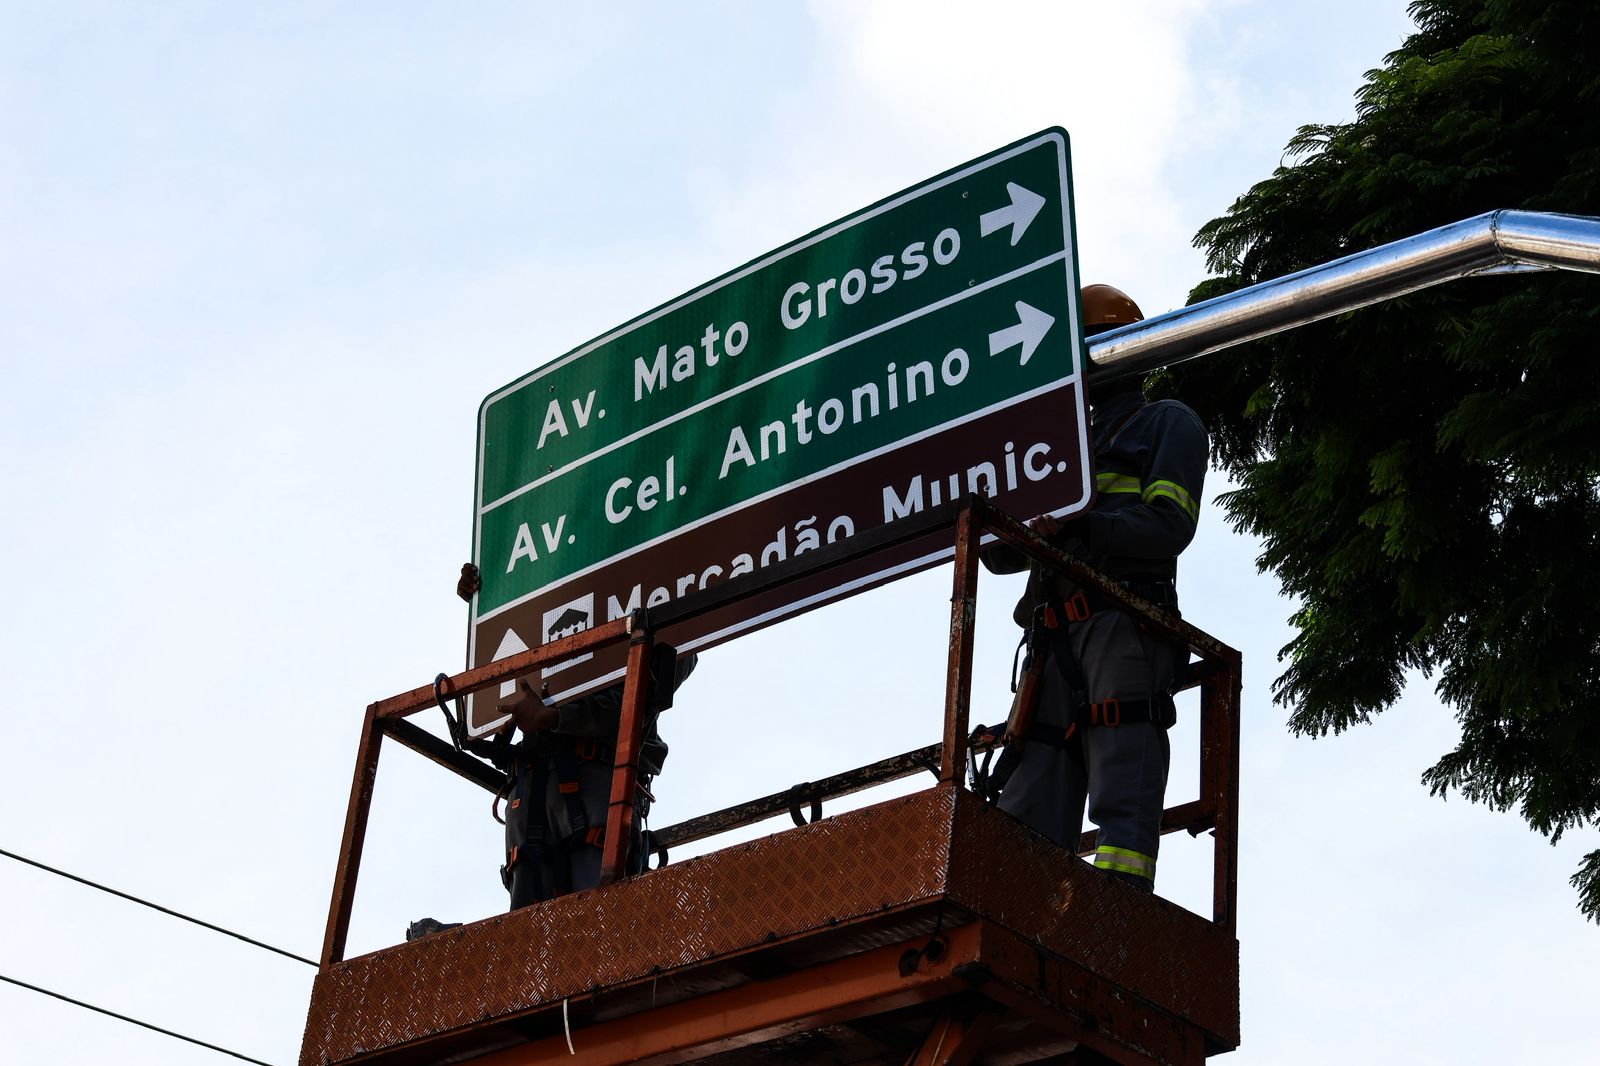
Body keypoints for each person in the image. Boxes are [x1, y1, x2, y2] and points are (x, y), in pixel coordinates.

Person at [979, 283, 1207, 893]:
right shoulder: (1056, 444)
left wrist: (1085, 526)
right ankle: (1024, 919)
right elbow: (1000, 555)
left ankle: (1116, 914)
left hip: (1122, 622)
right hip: (1051, 637)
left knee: (1121, 776)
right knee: (1028, 796)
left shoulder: (1165, 422)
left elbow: (1169, 525)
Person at [458, 564, 694, 908]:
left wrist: (556, 718)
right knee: (531, 934)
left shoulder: (659, 587)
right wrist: (490, 596)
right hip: (531, 791)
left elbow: (647, 691)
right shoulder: (550, 588)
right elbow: (484, 717)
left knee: (602, 923)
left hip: (600, 782)